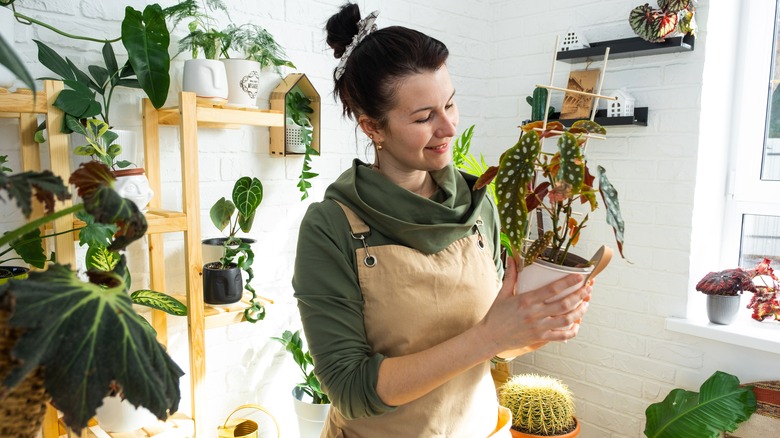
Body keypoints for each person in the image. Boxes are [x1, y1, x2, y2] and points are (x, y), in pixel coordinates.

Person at [292, 3, 592, 436]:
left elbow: (496, 347)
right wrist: (490, 337)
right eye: (423, 117)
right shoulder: (332, 227)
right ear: (372, 127)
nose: (448, 127)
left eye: (449, 104)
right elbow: (351, 390)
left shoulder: (475, 205)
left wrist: (537, 321)